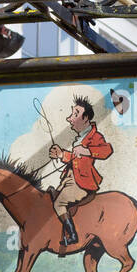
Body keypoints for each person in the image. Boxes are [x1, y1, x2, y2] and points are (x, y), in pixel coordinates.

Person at [48, 96, 112, 246]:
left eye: (75, 114)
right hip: (70, 179)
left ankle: (72, 236)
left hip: (82, 183)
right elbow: (75, 158)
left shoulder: (94, 137)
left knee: (59, 203)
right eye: (71, 114)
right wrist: (61, 154)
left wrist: (87, 151)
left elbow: (106, 150)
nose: (70, 119)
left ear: (86, 118)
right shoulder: (80, 138)